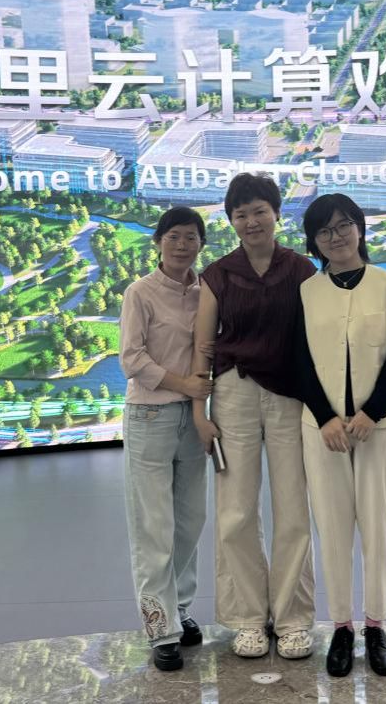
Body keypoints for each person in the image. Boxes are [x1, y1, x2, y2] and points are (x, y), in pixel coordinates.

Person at [191, 173, 319, 660]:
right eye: (240, 214)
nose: (251, 221)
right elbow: (203, 347)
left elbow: (331, 322)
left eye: (259, 211)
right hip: (233, 395)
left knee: (294, 508)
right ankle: (247, 618)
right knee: (236, 510)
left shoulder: (302, 270)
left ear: (277, 214)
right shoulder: (218, 275)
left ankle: (292, 619)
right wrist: (200, 412)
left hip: (290, 397)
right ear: (231, 221)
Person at [294, 192, 386, 678]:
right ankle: (341, 627)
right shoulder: (306, 292)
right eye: (324, 230)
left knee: (378, 528)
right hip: (323, 430)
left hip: (379, 427)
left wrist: (371, 413)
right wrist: (325, 417)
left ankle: (376, 626)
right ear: (314, 241)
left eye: (344, 225)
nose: (336, 236)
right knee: (333, 529)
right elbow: (299, 359)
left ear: (359, 228)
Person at [119, 206, 213, 672]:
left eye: (190, 237)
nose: (182, 245)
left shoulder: (206, 292)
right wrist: (186, 385)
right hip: (150, 417)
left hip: (193, 420)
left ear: (201, 244)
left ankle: (180, 607)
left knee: (190, 521)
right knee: (154, 527)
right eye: (173, 236)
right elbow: (132, 359)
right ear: (158, 241)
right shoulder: (140, 292)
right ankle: (161, 630)